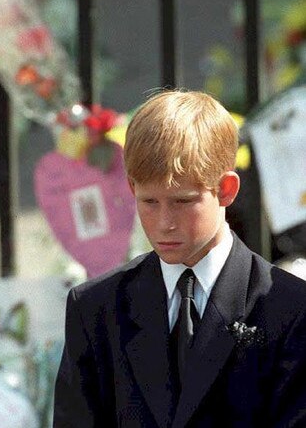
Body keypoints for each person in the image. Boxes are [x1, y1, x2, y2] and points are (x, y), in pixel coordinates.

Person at [53, 90, 306, 427]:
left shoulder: (289, 309)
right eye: (149, 202)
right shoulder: (95, 309)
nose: (164, 223)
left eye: (183, 202)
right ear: (131, 188)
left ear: (226, 190)